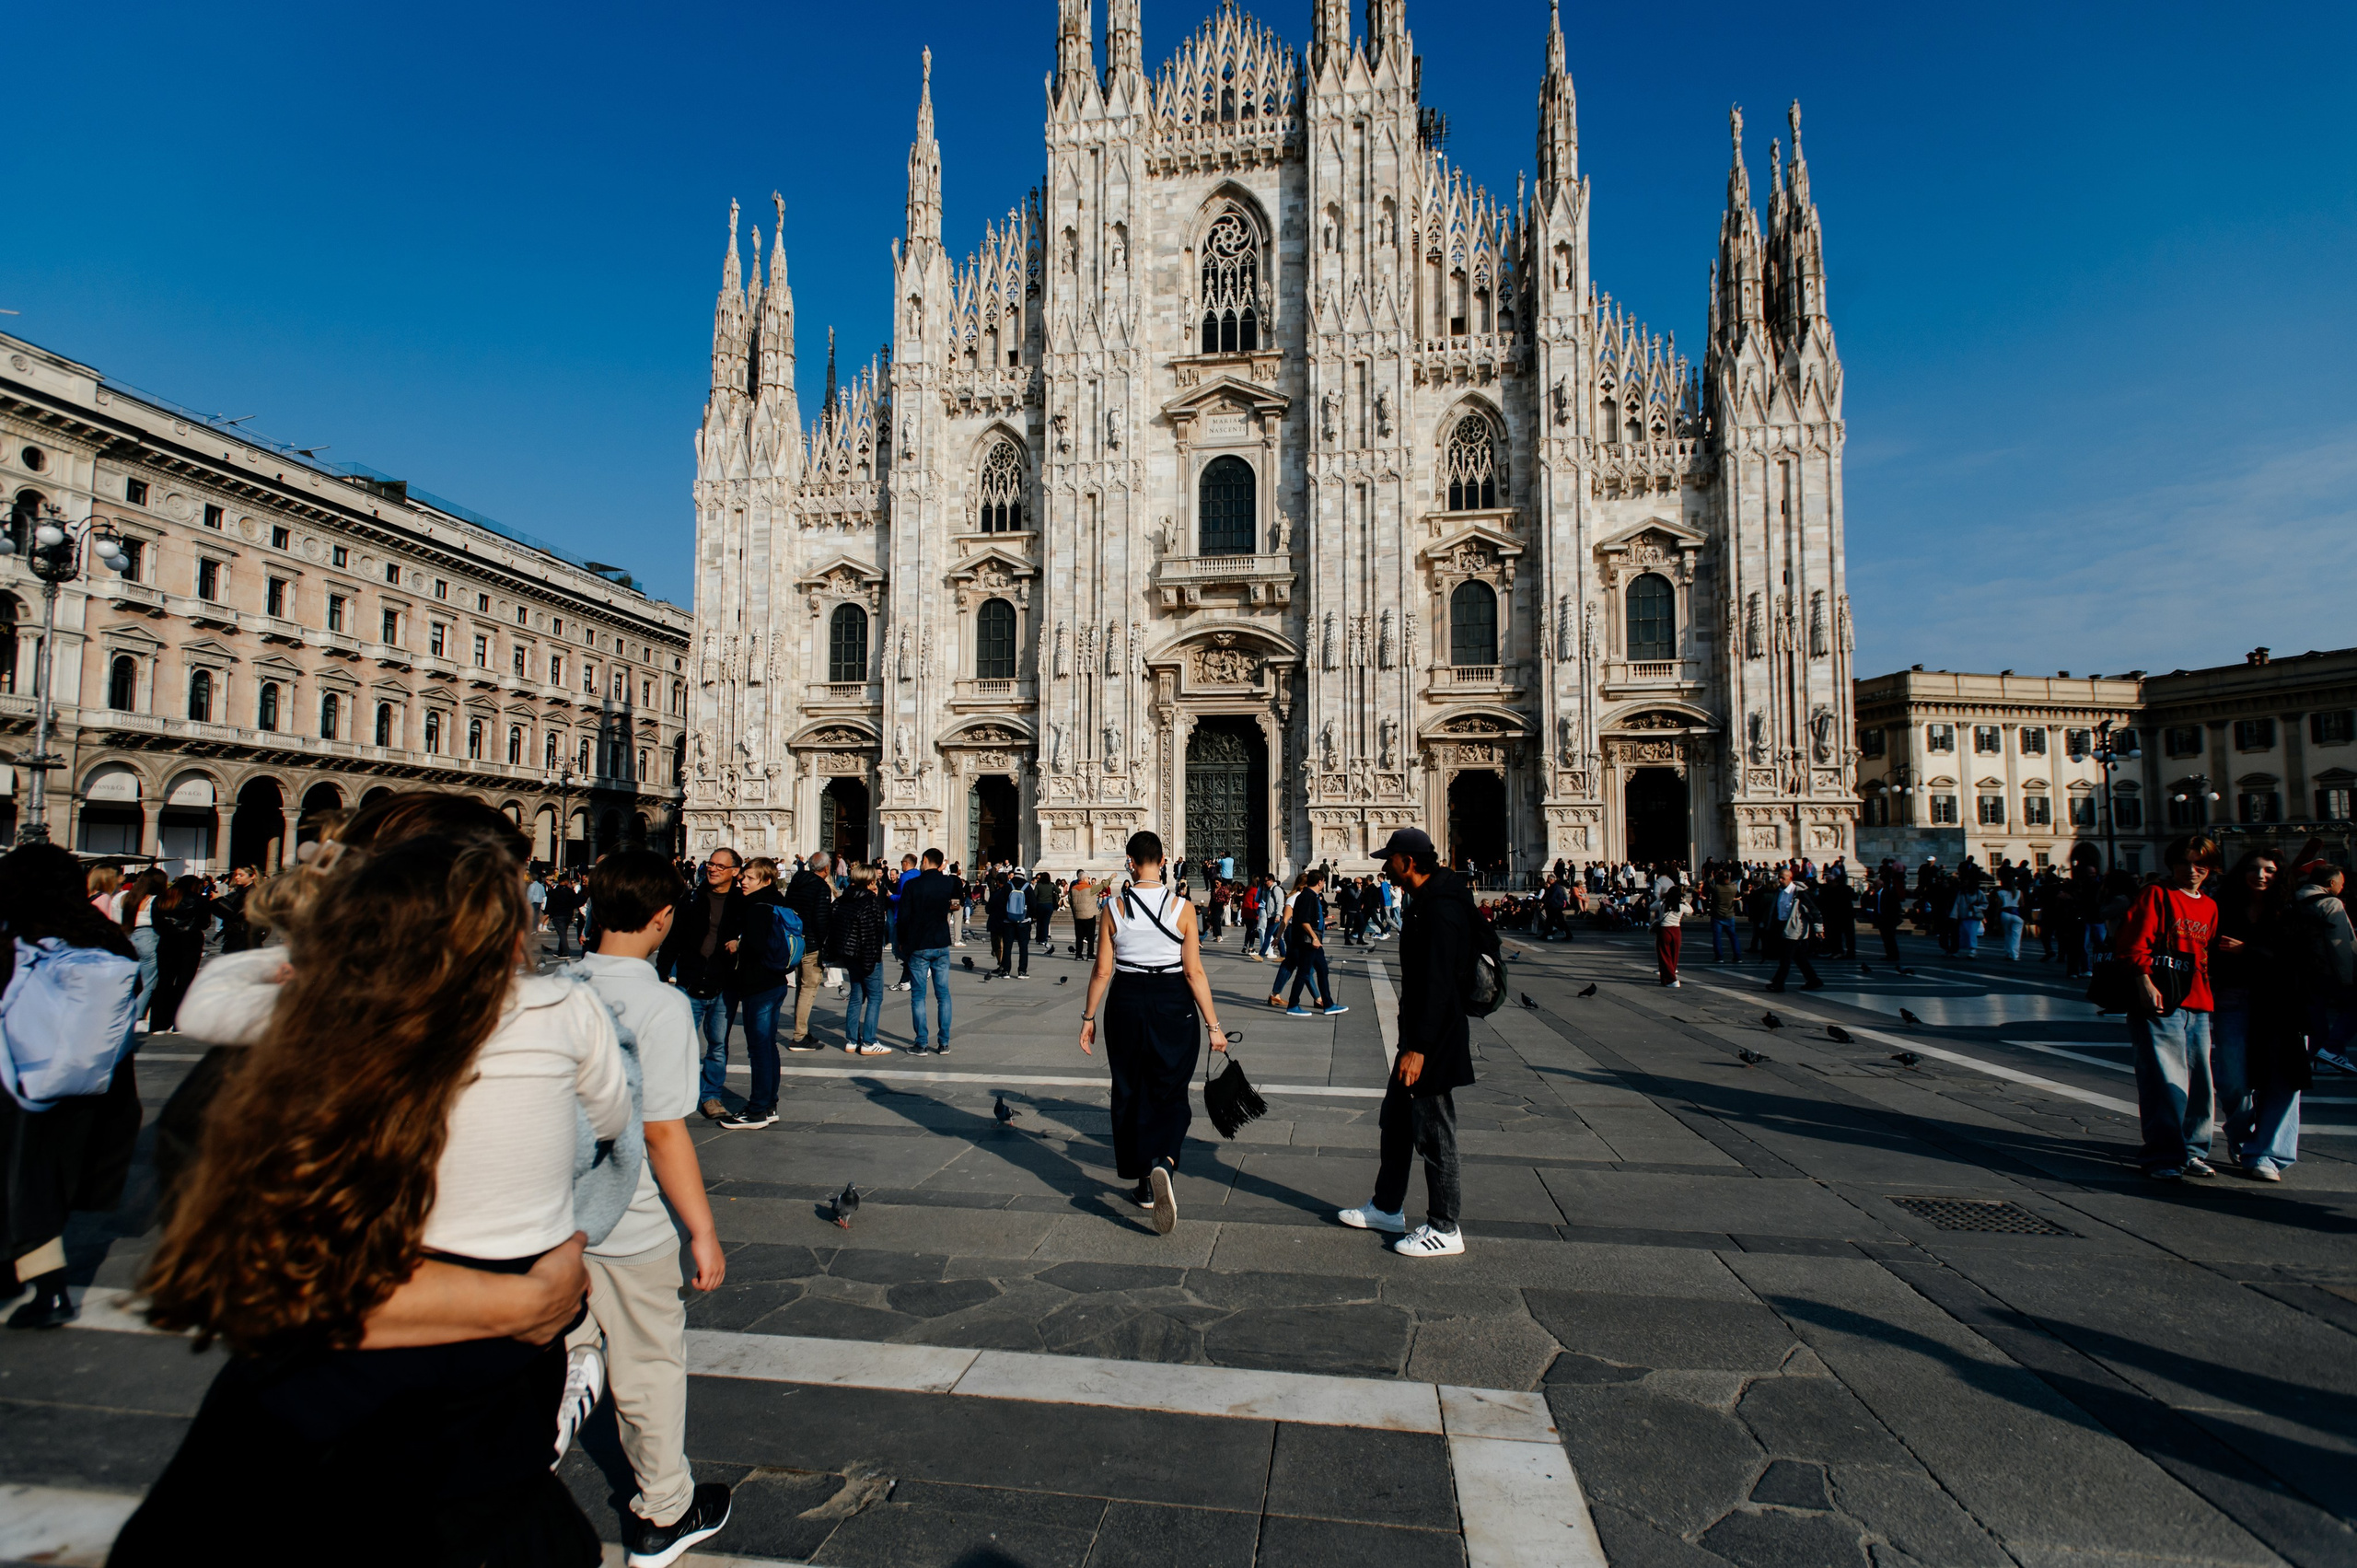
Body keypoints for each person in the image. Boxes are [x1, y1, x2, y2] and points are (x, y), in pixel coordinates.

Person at [118, 794, 633, 1565]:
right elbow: (251, 1277)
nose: (524, 918)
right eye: (501, 891)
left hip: (460, 1426)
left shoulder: (302, 1017)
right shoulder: (551, 1014)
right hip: (359, 1443)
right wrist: (519, 1296)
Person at [570, 850, 735, 1565]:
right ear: (665, 918)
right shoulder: (662, 1005)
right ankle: (664, 1512)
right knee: (650, 1362)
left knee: (565, 1344)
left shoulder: (549, 986)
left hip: (552, 1224)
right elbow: (664, 1132)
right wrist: (701, 1231)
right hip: (630, 1223)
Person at [1, 844, 144, 1330]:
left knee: (25, 1187)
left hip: (21, 1080)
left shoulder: (20, 935)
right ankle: (32, 1281)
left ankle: (49, 1289)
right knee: (47, 1186)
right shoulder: (102, 933)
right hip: (95, 1084)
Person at [1077, 831, 1228, 1236]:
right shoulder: (1183, 907)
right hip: (1172, 1002)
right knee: (1171, 1089)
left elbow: (1102, 971)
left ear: (1130, 863)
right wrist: (1214, 1026)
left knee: (1130, 1088)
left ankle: (1144, 1183)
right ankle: (1167, 1161)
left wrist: (1088, 1017)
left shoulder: (1114, 907)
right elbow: (1194, 972)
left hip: (1126, 1002)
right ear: (1163, 862)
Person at [1340, 828, 1475, 1258]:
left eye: (1390, 859)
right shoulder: (1424, 902)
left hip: (1432, 1039)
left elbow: (1437, 986)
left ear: (1409, 862)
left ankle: (1444, 1226)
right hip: (1417, 1034)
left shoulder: (1439, 910)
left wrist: (1418, 1047)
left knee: (1435, 1131)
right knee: (1396, 1121)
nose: (1383, 865)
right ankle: (1387, 1205)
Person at [2118, 833, 2223, 1180]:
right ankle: (2163, 1155)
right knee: (2163, 1080)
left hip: (2199, 1001)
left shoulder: (2209, 905)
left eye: (2200, 865)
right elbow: (2135, 942)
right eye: (2184, 863)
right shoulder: (2156, 895)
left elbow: (2205, 954)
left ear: (2210, 868)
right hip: (2160, 999)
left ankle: (2192, 1149)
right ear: (2172, 864)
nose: (2192, 871)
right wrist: (2144, 981)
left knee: (2200, 1082)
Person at [658, 846, 741, 1121]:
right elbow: (674, 937)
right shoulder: (692, 898)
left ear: (734, 871)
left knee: (717, 1045)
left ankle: (710, 1095)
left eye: (720, 866)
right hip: (690, 978)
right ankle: (686, 1091)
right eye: (711, 864)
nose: (713, 869)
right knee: (684, 1042)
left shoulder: (742, 901)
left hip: (723, 982)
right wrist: (661, 970)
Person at [717, 858, 792, 1130]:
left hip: (758, 984)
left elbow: (757, 947)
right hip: (776, 982)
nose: (742, 881)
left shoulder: (757, 907)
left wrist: (737, 945)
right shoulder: (779, 901)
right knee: (768, 1046)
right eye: (743, 877)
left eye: (749, 877)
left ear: (766, 879)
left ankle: (758, 1109)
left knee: (758, 1048)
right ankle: (769, 1104)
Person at [896, 849, 958, 1054]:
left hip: (919, 945)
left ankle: (921, 1043)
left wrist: (902, 942)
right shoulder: (949, 883)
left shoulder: (913, 885)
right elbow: (956, 905)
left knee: (918, 996)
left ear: (924, 861)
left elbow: (903, 918)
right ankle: (944, 1043)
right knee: (943, 995)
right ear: (941, 864)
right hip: (941, 943)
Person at [827, 864, 891, 1056]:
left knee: (856, 997)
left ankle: (851, 1040)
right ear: (871, 882)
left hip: (849, 956)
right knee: (875, 997)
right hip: (867, 956)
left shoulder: (842, 900)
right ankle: (869, 1041)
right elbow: (872, 936)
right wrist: (871, 962)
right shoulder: (871, 903)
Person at [145, 875, 215, 1035]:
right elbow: (205, 923)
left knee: (164, 981)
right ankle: (180, 1022)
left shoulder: (162, 899)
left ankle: (158, 1023)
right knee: (185, 981)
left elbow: (155, 924)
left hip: (166, 942)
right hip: (190, 942)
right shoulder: (198, 899)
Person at [1272, 869, 1346, 1016]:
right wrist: (1314, 937)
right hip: (1308, 941)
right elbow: (1304, 921)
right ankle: (1294, 1004)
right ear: (1320, 882)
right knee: (1304, 972)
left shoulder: (1310, 896)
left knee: (1322, 970)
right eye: (1324, 881)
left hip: (1311, 940)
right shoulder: (1307, 897)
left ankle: (1328, 1004)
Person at [780, 852, 835, 1049]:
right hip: (810, 944)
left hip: (794, 941)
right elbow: (821, 919)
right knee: (809, 989)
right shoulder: (820, 886)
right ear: (826, 868)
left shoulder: (797, 880)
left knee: (801, 988)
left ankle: (802, 1029)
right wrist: (824, 943)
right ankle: (799, 1036)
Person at [118, 866, 168, 1025]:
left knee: (131, 980)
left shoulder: (128, 897)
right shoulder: (156, 899)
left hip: (130, 936)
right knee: (148, 981)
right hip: (149, 936)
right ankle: (138, 1015)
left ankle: (125, 1011)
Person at [1766, 865, 1825, 992]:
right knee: (1799, 957)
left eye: (1783, 878)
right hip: (1782, 926)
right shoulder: (1779, 892)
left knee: (1785, 957)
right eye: (1779, 878)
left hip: (1795, 929)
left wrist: (1819, 928)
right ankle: (1813, 980)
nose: (1780, 880)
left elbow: (1813, 910)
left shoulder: (1800, 893)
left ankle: (1778, 983)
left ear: (1790, 878)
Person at [992, 869, 1031, 978]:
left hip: (1008, 921)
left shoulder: (1008, 886)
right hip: (1023, 921)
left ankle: (1006, 971)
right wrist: (1029, 916)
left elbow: (1001, 903)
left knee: (1008, 946)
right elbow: (1033, 903)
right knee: (1023, 947)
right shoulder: (1027, 886)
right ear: (1023, 874)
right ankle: (1022, 971)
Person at [1707, 870, 1743, 963]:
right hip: (1729, 914)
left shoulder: (1716, 888)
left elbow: (1709, 884)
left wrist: (1712, 877)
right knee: (1733, 937)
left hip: (1717, 915)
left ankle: (1719, 957)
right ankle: (1738, 956)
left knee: (1717, 938)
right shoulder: (1733, 888)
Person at [1654, 884, 1685, 987]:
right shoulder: (1681, 906)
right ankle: (1669, 977)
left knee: (1664, 956)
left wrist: (1661, 898)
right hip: (1676, 930)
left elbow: (1651, 907)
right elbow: (1691, 910)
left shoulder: (1662, 904)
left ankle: (1671, 979)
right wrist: (1683, 900)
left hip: (1664, 930)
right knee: (1674, 955)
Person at [1069, 872, 1100, 962]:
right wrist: (1111, 878)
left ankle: (1078, 955)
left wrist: (1075, 912)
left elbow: (1071, 902)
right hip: (1089, 916)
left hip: (1078, 916)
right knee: (1090, 937)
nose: (1089, 880)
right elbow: (1103, 886)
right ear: (1084, 879)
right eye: (1088, 878)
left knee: (1079, 937)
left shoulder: (1073, 888)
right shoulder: (1090, 888)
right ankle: (1090, 954)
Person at [1030, 870, 1059, 950]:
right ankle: (1044, 938)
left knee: (1039, 922)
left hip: (1040, 905)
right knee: (1046, 923)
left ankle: (1038, 939)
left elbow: (1034, 894)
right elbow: (1059, 891)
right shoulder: (1051, 885)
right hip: (1049, 906)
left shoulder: (1038, 885)